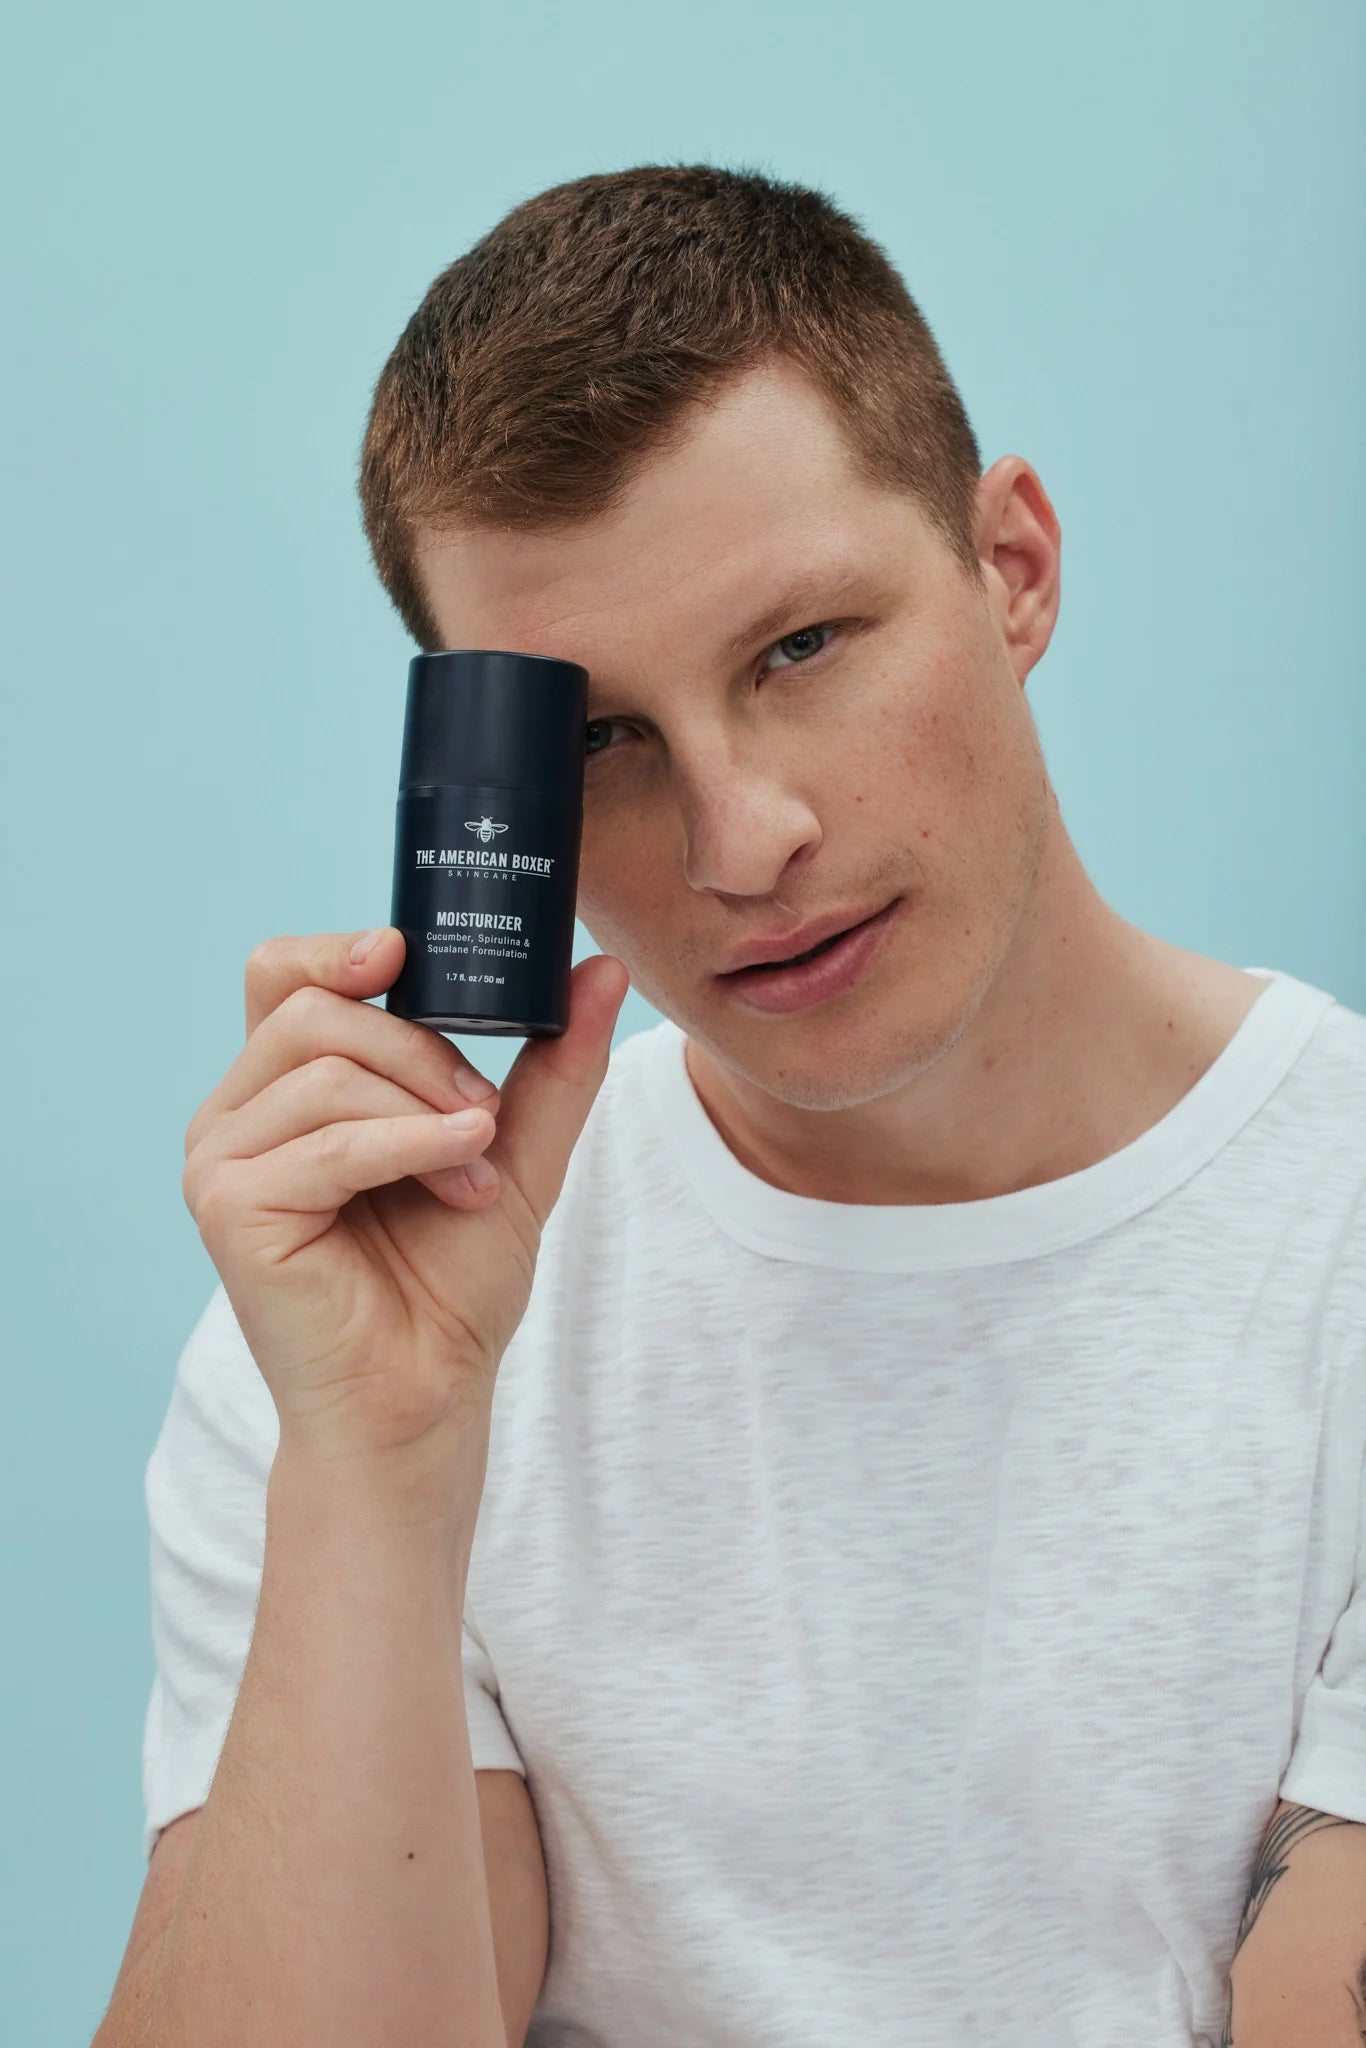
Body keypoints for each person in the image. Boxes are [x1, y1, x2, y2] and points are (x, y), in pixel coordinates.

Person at [95, 164, 1366, 2048]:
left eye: (800, 649)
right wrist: (378, 1466)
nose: (740, 842)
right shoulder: (378, 1335)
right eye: (599, 738)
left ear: (1010, 567)